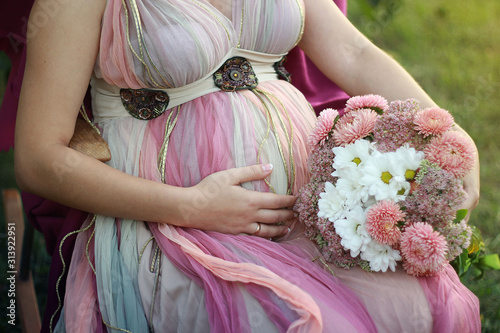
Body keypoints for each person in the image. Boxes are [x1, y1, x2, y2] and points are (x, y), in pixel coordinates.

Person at [14, 0, 480, 332]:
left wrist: (450, 135)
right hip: (175, 225)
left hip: (309, 211)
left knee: (420, 307)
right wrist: (191, 207)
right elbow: (39, 157)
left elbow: (354, 54)